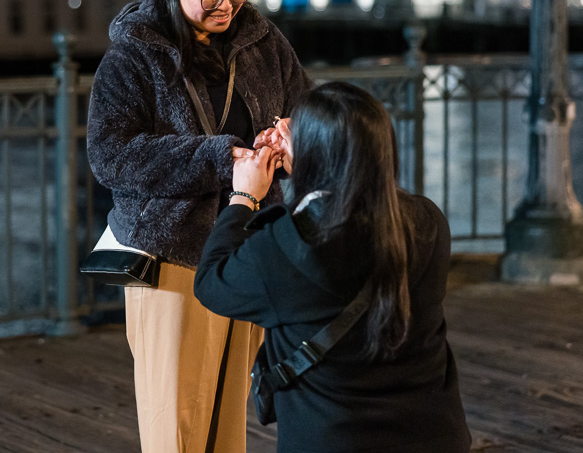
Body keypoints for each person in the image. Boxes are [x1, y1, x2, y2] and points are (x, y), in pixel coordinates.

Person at [87, 0, 311, 453]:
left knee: (229, 412)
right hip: (172, 255)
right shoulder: (132, 60)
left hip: (249, 245)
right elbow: (111, 156)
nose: (227, 3)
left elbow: (304, 108)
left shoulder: (265, 42)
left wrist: (287, 134)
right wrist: (219, 158)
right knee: (177, 423)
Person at [194, 82, 472, 453]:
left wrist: (243, 196)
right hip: (435, 435)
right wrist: (311, 152)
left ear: (317, 157)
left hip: (336, 440)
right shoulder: (428, 221)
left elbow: (213, 281)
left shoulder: (287, 247)